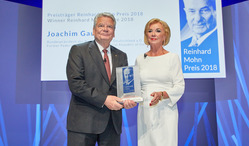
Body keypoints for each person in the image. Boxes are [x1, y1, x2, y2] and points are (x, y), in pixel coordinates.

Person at [66, 12, 136, 146]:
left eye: (110, 26)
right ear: (93, 30)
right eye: (101, 25)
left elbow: (122, 87)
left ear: (114, 33)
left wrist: (127, 100)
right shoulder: (79, 50)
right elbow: (76, 83)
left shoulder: (121, 55)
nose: (105, 29)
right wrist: (104, 99)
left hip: (111, 124)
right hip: (84, 124)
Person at [135, 18, 185, 146]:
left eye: (158, 31)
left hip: (166, 110)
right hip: (145, 110)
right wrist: (130, 97)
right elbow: (135, 87)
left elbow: (180, 87)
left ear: (165, 35)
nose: (153, 34)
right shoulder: (140, 59)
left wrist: (161, 94)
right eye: (150, 31)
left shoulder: (172, 58)